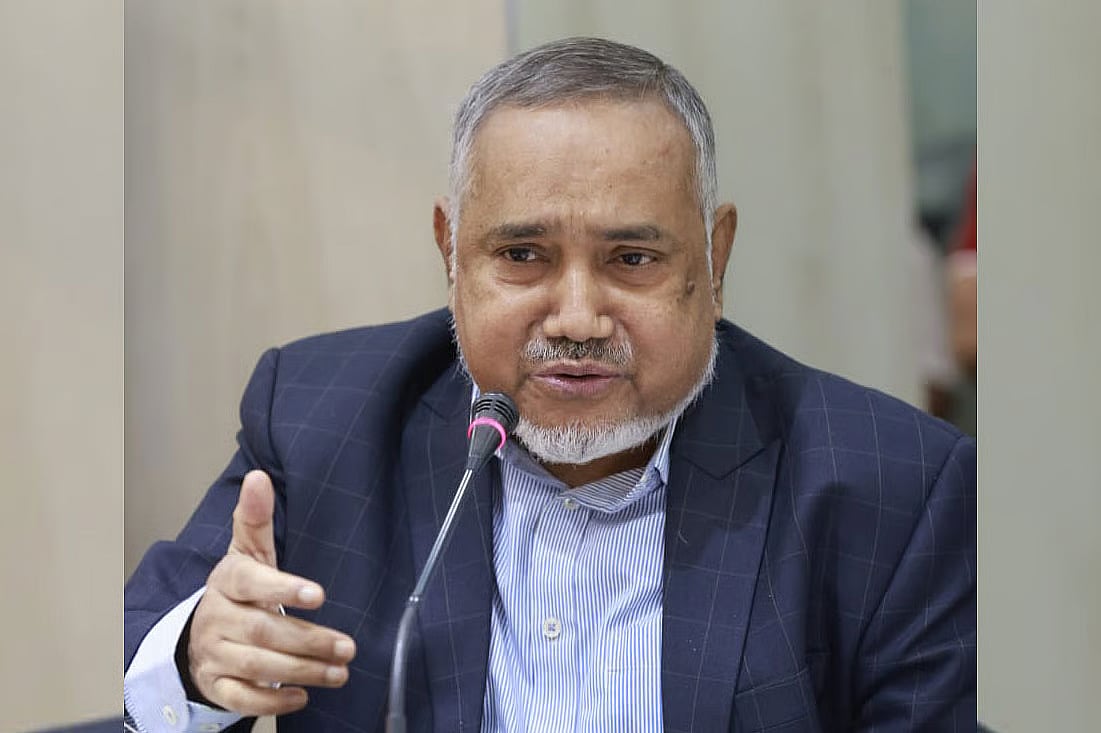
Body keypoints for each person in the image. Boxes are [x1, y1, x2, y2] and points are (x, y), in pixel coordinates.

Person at [124, 37, 976, 732]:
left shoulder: (890, 485)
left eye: (631, 259)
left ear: (714, 261)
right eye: (522, 256)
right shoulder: (322, 417)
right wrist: (197, 657)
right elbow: (138, 653)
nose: (575, 316)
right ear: (450, 253)